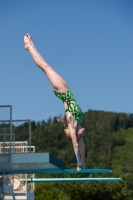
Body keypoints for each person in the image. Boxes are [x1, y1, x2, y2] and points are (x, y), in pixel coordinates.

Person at [24, 33, 85, 171]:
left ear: (75, 133)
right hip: (66, 89)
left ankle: (30, 47)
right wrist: (85, 162)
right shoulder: (78, 122)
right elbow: (81, 145)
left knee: (46, 67)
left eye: (79, 136)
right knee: (46, 68)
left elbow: (76, 145)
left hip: (62, 91)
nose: (82, 137)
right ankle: (30, 47)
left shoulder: (72, 121)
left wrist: (79, 163)